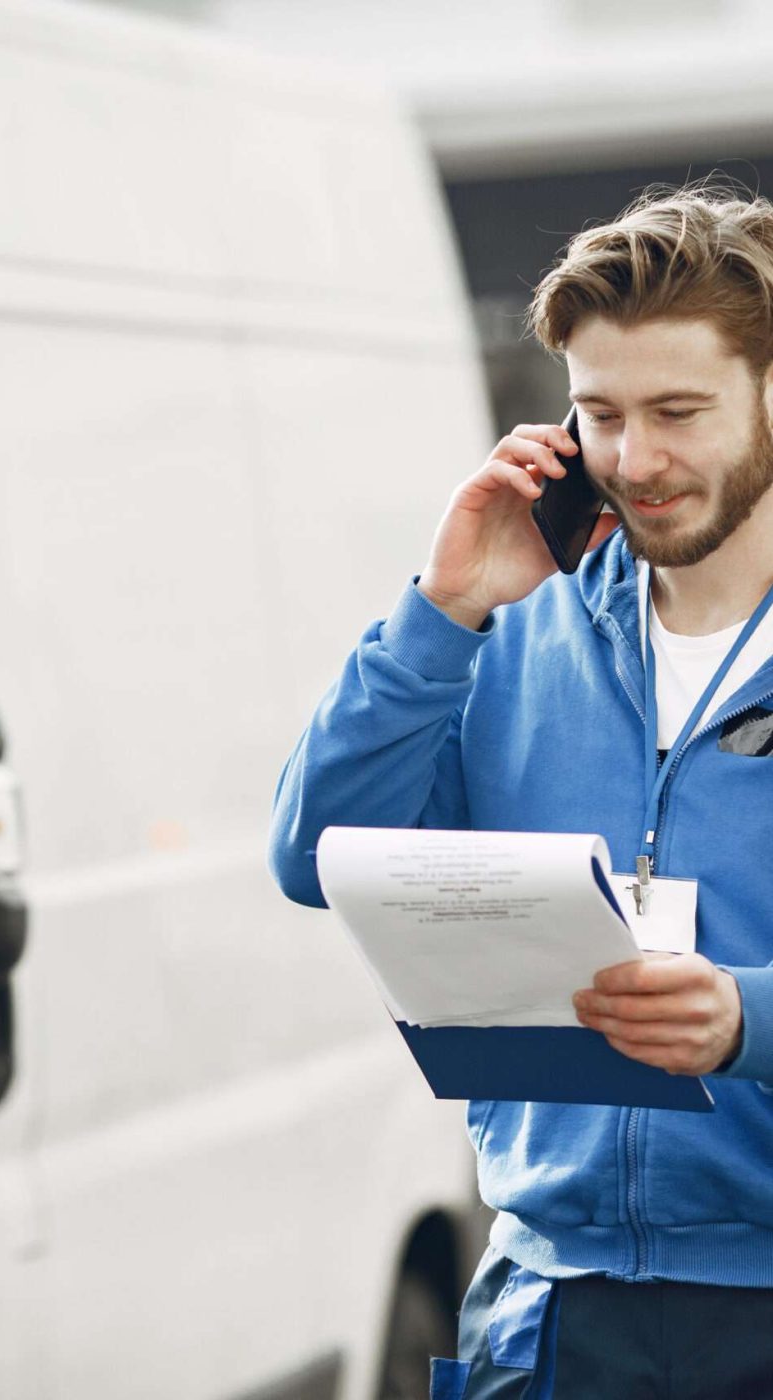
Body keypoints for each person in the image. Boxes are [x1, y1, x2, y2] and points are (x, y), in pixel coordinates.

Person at [268, 186, 773, 1399]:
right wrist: (442, 613)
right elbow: (313, 855)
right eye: (599, 414)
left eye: (677, 411)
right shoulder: (509, 628)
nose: (634, 460)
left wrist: (749, 1019)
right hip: (550, 1315)